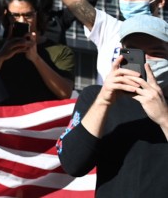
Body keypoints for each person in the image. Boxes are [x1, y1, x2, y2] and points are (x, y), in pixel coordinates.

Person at [57, 15, 168, 196]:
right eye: (137, 53)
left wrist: (163, 118)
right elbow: (72, 164)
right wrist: (104, 101)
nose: (147, 60)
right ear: (122, 53)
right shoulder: (96, 97)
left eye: (156, 52)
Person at [0, 0, 74, 105]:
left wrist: (36, 59)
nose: (22, 20)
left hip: (41, 119)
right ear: (6, 16)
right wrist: (0, 57)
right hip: (2, 117)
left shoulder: (60, 52)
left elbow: (65, 93)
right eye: (15, 15)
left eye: (28, 15)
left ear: (37, 15)